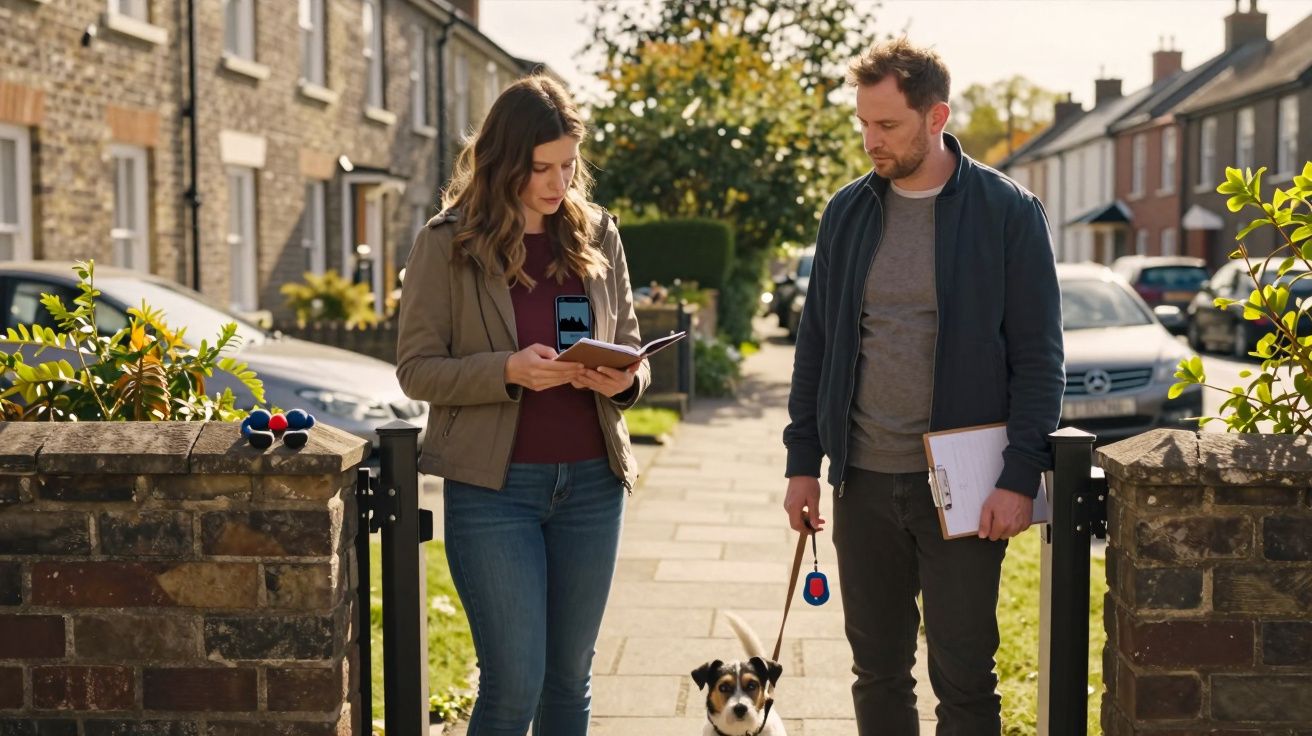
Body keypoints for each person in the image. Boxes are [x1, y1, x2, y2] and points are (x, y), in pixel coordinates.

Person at [781, 38, 1064, 735]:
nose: (872, 141)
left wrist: (1020, 475)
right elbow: (815, 344)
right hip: (864, 483)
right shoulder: (846, 213)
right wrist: (802, 465)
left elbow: (1039, 357)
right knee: (877, 673)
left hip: (966, 488)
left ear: (936, 116)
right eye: (864, 125)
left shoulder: (1008, 212)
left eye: (889, 126)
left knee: (965, 681)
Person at [396, 74, 650, 736]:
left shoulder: (599, 234)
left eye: (568, 165)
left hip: (594, 485)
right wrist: (505, 370)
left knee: (571, 679)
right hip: (494, 490)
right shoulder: (444, 243)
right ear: (502, 162)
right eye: (540, 168)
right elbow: (416, 370)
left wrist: (622, 382)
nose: (557, 183)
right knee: (515, 684)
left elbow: (628, 348)